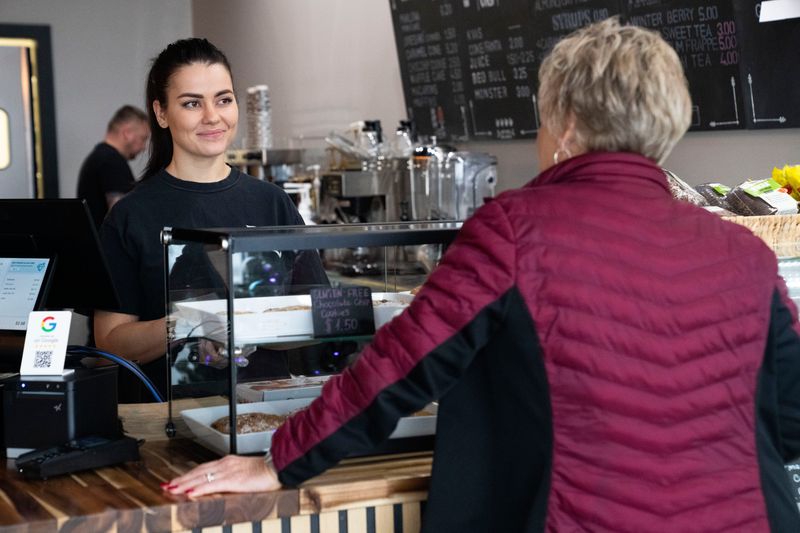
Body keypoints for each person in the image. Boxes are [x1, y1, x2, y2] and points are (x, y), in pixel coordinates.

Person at [165, 19, 800, 532]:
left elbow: (401, 365)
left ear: (569, 126)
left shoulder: (517, 229)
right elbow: (792, 419)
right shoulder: (744, 252)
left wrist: (282, 459)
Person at [95, 38, 326, 402]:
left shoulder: (272, 203)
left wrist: (254, 327)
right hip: (166, 422)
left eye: (223, 99)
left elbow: (314, 320)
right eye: (191, 103)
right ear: (161, 113)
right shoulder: (130, 216)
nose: (212, 117)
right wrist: (189, 324)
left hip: (267, 414)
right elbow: (111, 341)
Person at [76, 105, 150, 228]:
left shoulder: (98, 157)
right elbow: (121, 215)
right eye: (143, 138)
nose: (144, 147)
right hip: (105, 246)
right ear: (127, 133)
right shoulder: (112, 161)